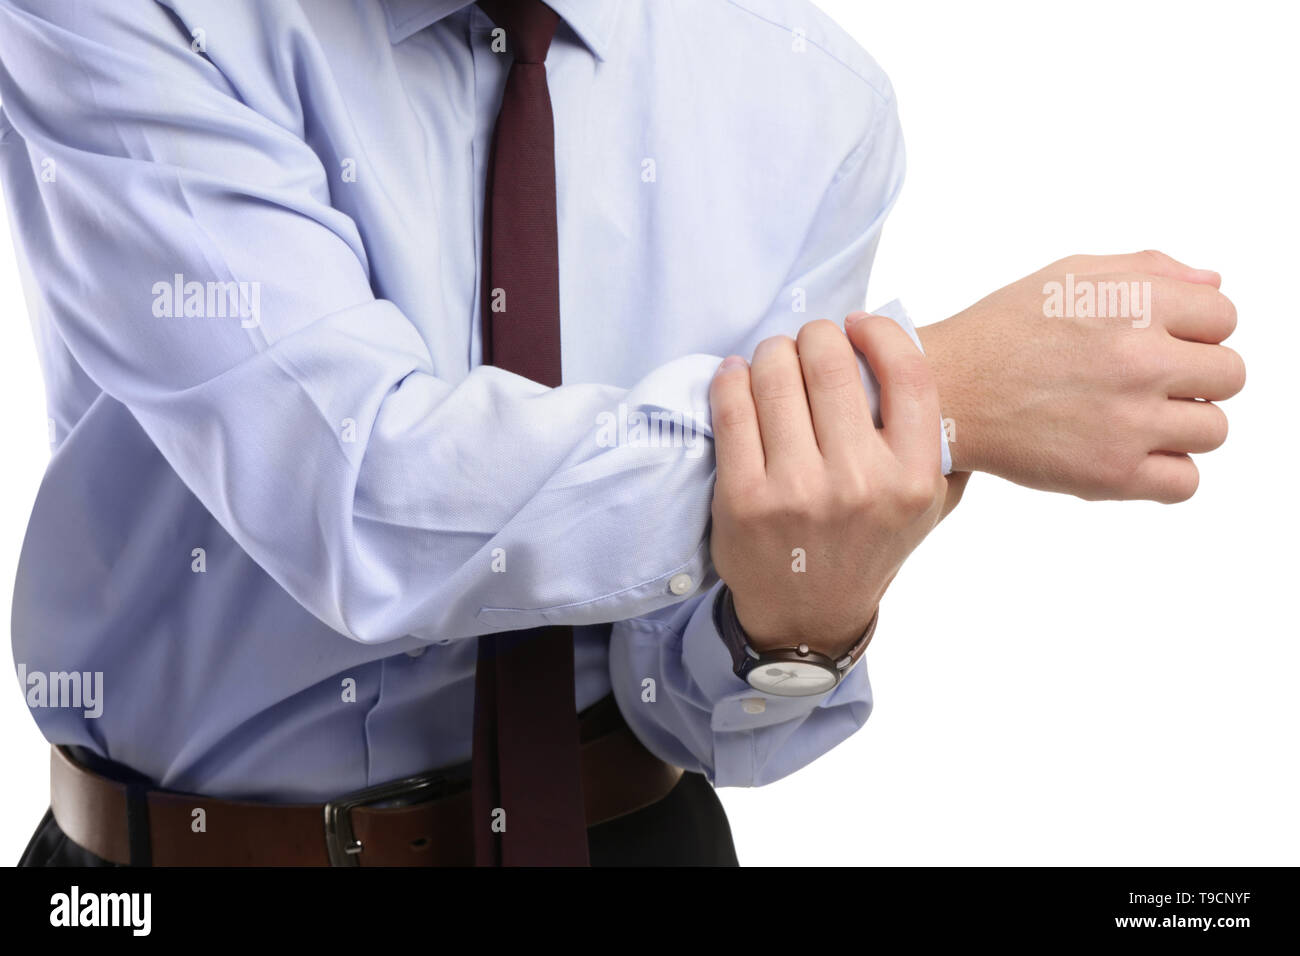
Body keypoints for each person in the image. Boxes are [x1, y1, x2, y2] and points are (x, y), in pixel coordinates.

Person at [0, 0, 1242, 867]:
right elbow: (360, 488)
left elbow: (698, 702)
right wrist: (929, 393)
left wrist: (799, 611)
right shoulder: (131, 12)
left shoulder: (812, 101)